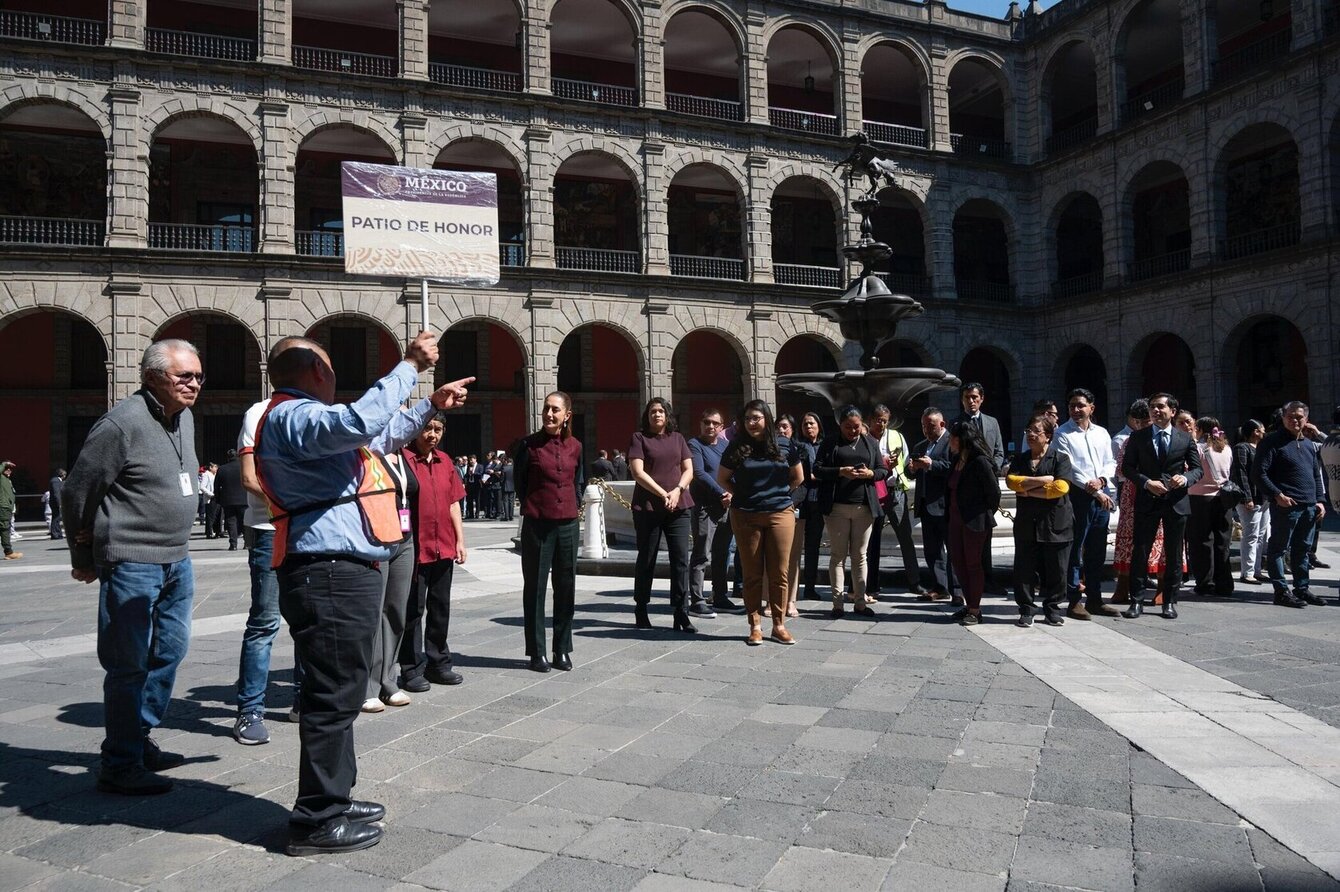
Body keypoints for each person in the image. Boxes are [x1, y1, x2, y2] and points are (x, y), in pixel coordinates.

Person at [253, 331, 471, 855]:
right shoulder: (292, 416)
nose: (335, 379)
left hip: (341, 567)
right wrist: (409, 365)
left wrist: (428, 406)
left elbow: (379, 436)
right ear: (312, 372)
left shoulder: (309, 423)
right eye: (329, 368)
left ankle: (335, 797)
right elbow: (359, 422)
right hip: (326, 570)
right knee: (331, 692)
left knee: (344, 687)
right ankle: (315, 819)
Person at [62, 339, 203, 795]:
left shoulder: (185, 418)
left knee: (169, 653)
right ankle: (120, 762)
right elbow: (78, 492)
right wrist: (83, 557)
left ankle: (139, 740)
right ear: (152, 377)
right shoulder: (120, 425)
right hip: (131, 562)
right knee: (127, 665)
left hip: (177, 558)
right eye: (184, 376)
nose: (194, 383)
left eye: (198, 376)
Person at [718, 399, 804, 645]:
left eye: (756, 418)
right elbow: (722, 477)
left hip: (780, 513)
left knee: (779, 572)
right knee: (752, 573)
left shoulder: (785, 445)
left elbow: (798, 477)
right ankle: (755, 625)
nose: (751, 423)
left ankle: (779, 624)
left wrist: (778, 492)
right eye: (747, 419)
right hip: (746, 514)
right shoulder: (736, 446)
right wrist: (742, 493)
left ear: (767, 419)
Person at [514, 392, 584, 672]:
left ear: (567, 415)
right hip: (538, 524)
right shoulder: (528, 446)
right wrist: (536, 505)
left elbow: (578, 479)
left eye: (555, 410)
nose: (549, 414)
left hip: (567, 523)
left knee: (566, 588)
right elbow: (520, 483)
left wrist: (573, 506)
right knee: (535, 588)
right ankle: (537, 652)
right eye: (546, 409)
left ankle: (562, 649)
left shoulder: (576, 446)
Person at [399, 414, 469, 692]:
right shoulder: (404, 460)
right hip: (416, 548)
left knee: (440, 608)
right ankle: (411, 667)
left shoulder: (445, 461)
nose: (432, 435)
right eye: (427, 428)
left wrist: (460, 541)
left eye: (438, 429)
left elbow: (453, 503)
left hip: (444, 547)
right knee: (412, 611)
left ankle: (438, 663)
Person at [1121, 392, 1202, 619]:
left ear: (1172, 411)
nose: (1155, 411)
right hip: (1148, 500)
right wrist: (1146, 483)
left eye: (1160, 407)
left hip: (1176, 502)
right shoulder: (1138, 437)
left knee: (1174, 553)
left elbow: (1198, 469)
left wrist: (1185, 479)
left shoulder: (1184, 439)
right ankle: (1136, 601)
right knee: (1141, 551)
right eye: (1152, 407)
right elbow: (1127, 468)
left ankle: (1169, 601)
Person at [814, 405, 888, 619]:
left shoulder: (871, 443)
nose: (852, 431)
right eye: (848, 427)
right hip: (836, 507)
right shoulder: (829, 442)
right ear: (840, 425)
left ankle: (860, 602)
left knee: (860, 555)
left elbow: (882, 470)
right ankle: (837, 604)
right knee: (838, 555)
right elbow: (817, 469)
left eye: (856, 427)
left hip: (864, 507)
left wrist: (870, 473)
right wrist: (840, 472)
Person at [629, 397, 696, 631]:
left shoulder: (678, 439)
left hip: (679, 506)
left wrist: (677, 491)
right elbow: (637, 472)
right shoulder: (639, 438)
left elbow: (689, 469)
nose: (656, 415)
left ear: (667, 415)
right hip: (648, 508)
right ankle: (641, 609)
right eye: (652, 412)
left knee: (680, 560)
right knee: (646, 559)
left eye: (660, 411)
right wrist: (663, 494)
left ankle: (681, 612)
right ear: (647, 417)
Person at [1053, 388, 1120, 620]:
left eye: (1080, 405)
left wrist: (1101, 480)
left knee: (1097, 550)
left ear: (1092, 407)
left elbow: (1110, 461)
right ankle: (1073, 600)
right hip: (1078, 497)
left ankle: (1095, 599)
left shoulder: (1102, 433)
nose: (1076, 410)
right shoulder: (1062, 434)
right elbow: (1068, 467)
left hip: (1101, 495)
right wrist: (1094, 489)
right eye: (1072, 405)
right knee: (1075, 550)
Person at [1255, 400, 1328, 608]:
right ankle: (1281, 591)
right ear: (1283, 417)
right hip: (1285, 505)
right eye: (1291, 416)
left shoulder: (1308, 444)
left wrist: (1320, 501)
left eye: (1300, 417)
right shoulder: (1271, 442)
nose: (1296, 420)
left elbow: (1316, 474)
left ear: (1306, 419)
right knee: (1278, 549)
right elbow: (1259, 473)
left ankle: (1302, 589)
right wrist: (1277, 495)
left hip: (1309, 506)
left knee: (1303, 549)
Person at [1006, 414, 1073, 627]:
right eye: (1028, 431)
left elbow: (1060, 489)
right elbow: (1011, 482)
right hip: (1027, 522)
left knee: (1057, 569)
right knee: (1024, 568)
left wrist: (1027, 490)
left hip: (1056, 523)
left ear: (1048, 436)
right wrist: (1043, 481)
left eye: (1036, 431)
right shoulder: (1020, 459)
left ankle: (1053, 609)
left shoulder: (1060, 458)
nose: (1031, 435)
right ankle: (1026, 609)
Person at [945, 421, 1001, 625]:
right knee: (959, 564)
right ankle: (968, 605)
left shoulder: (980, 462)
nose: (949, 441)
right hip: (955, 520)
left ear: (961, 440)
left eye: (952, 438)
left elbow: (994, 494)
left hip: (974, 521)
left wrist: (982, 515)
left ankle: (975, 609)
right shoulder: (956, 459)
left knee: (973, 564)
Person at [955, 383, 1005, 595]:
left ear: (982, 398)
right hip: (969, 488)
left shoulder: (992, 422)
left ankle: (989, 578)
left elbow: (999, 451)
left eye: (975, 397)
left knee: (987, 536)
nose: (971, 401)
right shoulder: (956, 423)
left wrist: (992, 470)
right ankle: (970, 580)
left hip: (989, 485)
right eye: (967, 397)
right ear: (962, 400)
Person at [866, 405, 922, 597]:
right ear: (870, 420)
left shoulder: (897, 436)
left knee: (905, 536)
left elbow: (906, 463)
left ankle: (914, 582)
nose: (881, 424)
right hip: (874, 493)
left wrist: (911, 469)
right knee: (872, 540)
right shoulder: (865, 439)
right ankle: (871, 585)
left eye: (884, 421)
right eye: (878, 420)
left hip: (896, 491)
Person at [688, 408, 737, 618]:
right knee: (701, 555)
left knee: (722, 554)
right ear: (701, 424)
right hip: (705, 508)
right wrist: (722, 493)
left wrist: (732, 494)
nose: (710, 426)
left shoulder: (726, 446)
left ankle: (720, 596)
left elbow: (735, 471)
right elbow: (699, 473)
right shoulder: (694, 445)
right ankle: (697, 600)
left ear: (721, 426)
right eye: (706, 422)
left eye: (715, 423)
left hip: (726, 507)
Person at [1186, 417, 1236, 597]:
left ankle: (1205, 583)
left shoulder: (1199, 449)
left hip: (1199, 498)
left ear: (1198, 429)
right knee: (1223, 541)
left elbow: (1190, 471)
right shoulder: (1226, 449)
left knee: (1201, 542)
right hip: (1223, 498)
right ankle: (1225, 583)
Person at [910, 408, 956, 602]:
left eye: (930, 426)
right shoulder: (921, 445)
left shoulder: (951, 443)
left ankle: (957, 589)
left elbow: (953, 468)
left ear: (942, 424)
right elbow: (912, 471)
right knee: (932, 549)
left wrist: (931, 464)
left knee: (952, 549)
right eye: (923, 426)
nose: (927, 430)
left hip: (945, 504)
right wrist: (911, 467)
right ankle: (940, 587)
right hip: (926, 504)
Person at [1111, 399, 1151, 604]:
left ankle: (1159, 585)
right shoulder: (1127, 440)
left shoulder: (1166, 438)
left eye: (1148, 421)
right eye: (1141, 422)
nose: (1145, 426)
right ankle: (1123, 586)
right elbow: (1120, 471)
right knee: (1128, 540)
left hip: (1159, 494)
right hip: (1132, 493)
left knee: (1156, 541)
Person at [793, 412, 826, 603]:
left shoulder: (824, 445)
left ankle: (810, 587)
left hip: (818, 501)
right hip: (800, 500)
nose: (808, 427)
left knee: (813, 546)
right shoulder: (797, 446)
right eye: (805, 424)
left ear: (818, 426)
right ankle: (793, 587)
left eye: (811, 423)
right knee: (795, 547)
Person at [1232, 419, 1270, 585]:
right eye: (1261, 429)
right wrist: (1247, 497)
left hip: (1264, 497)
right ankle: (1246, 572)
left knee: (1261, 535)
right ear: (1255, 431)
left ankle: (1257, 569)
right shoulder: (1242, 447)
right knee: (1250, 535)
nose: (1263, 432)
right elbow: (1241, 474)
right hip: (1251, 498)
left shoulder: (1262, 447)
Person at [213, 449, 249, 551]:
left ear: (228, 457)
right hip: (244, 499)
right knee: (244, 521)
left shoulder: (222, 469)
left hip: (228, 501)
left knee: (231, 522)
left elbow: (216, 486)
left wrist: (219, 499)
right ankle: (247, 542)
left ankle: (233, 544)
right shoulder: (243, 467)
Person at [0, 461, 19, 560]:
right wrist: (4, 463)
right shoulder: (1, 477)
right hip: (3, 507)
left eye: (10, 469)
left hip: (6, 507)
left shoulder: (6, 479)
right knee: (4, 529)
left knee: (5, 528)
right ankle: (8, 552)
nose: (9, 470)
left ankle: (8, 552)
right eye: (7, 468)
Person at [199, 461, 218, 538]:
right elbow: (202, 487)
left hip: (216, 497)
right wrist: (210, 494)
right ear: (210, 467)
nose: (216, 468)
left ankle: (215, 531)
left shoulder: (215, 475)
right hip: (210, 498)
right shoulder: (206, 475)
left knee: (215, 515)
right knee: (210, 516)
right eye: (215, 467)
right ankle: (209, 532)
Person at [48, 468, 65, 540]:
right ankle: (55, 534)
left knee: (57, 518)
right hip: (55, 503)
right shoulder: (56, 481)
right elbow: (56, 493)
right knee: (56, 518)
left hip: (54, 502)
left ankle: (58, 533)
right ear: (62, 475)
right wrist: (59, 503)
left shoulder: (56, 481)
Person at [501, 456, 516, 522]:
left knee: (505, 501)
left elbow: (502, 478)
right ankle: (511, 516)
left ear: (507, 462)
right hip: (512, 486)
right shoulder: (514, 468)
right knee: (511, 502)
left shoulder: (504, 468)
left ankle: (506, 517)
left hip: (505, 486)